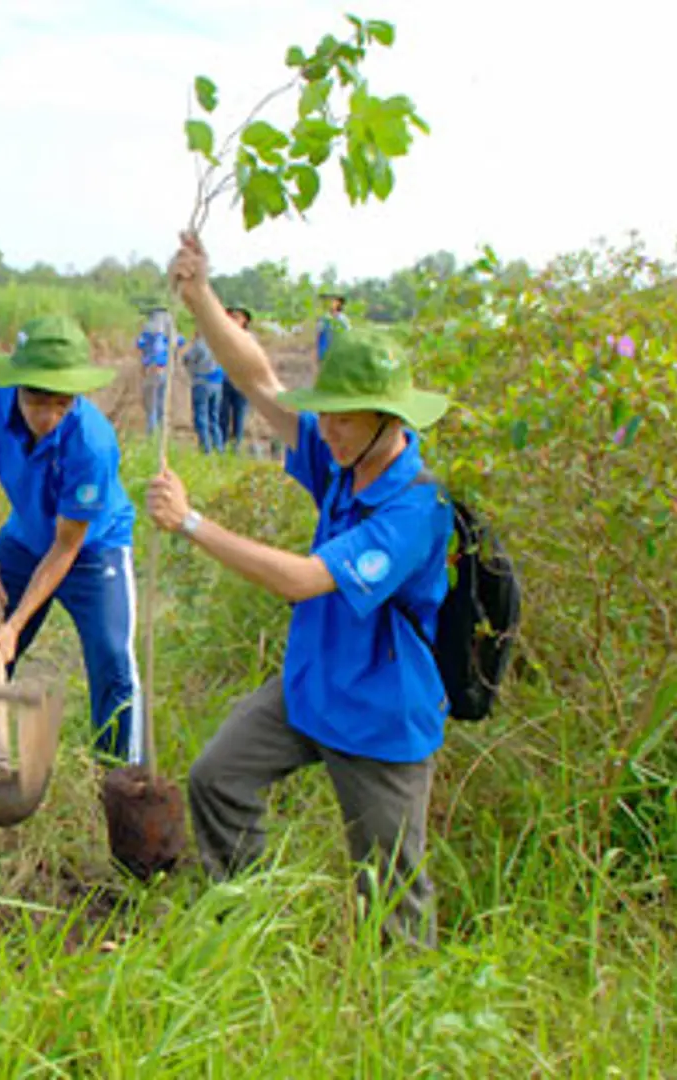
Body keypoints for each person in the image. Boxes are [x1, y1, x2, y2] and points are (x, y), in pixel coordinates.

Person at [154, 235, 453, 947]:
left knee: (391, 893)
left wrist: (193, 522)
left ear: (392, 418)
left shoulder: (416, 504)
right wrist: (200, 299)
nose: (329, 429)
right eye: (329, 414)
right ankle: (246, 920)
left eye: (346, 417)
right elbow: (259, 382)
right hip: (315, 686)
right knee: (217, 777)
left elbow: (302, 579)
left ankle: (403, 1011)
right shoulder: (341, 454)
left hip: (382, 716)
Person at [0, 315, 142, 764]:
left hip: (94, 547)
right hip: (25, 534)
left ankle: (115, 777)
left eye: (62, 403)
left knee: (112, 658)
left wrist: (15, 625)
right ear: (16, 384)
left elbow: (68, 545)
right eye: (37, 399)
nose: (48, 417)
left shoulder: (92, 443)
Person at [134, 306, 182, 436]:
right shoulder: (170, 332)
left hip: (152, 370)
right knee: (162, 404)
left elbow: (139, 344)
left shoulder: (149, 330)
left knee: (151, 406)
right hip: (166, 370)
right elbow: (179, 342)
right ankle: (162, 433)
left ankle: (152, 435)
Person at [182, 327, 225, 454]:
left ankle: (205, 449)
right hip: (217, 384)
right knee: (214, 417)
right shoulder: (219, 344)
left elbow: (186, 359)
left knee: (201, 417)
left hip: (201, 383)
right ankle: (219, 447)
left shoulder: (200, 344)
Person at [217, 305, 253, 452]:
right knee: (223, 415)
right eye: (231, 316)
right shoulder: (223, 337)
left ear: (245, 320)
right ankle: (223, 446)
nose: (233, 319)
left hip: (242, 383)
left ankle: (236, 447)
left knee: (239, 416)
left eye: (237, 317)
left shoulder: (249, 339)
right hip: (225, 380)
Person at [317, 294, 350, 366]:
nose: (332, 303)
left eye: (334, 302)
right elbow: (319, 333)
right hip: (325, 349)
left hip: (338, 349)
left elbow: (348, 333)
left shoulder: (343, 319)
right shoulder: (324, 318)